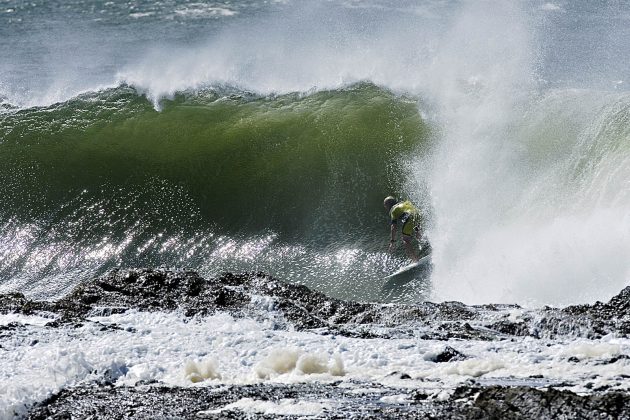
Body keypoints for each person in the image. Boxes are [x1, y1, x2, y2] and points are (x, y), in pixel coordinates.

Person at [383, 196, 424, 261]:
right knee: (418, 233)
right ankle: (428, 245)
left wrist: (392, 241)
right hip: (418, 214)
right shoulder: (405, 202)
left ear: (388, 205)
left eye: (385, 205)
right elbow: (413, 212)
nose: (385, 207)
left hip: (410, 217)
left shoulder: (393, 210)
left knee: (405, 240)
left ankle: (415, 259)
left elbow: (394, 226)